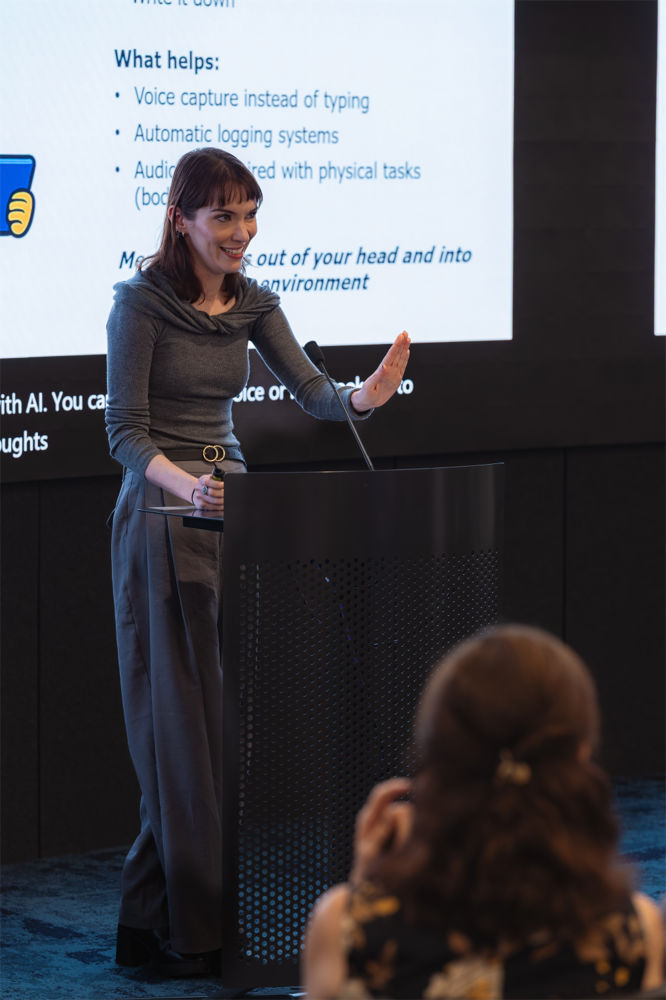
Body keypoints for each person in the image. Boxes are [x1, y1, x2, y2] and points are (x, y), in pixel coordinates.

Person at [105, 146, 410, 978]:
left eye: (249, 216)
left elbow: (313, 392)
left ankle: (148, 924)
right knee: (180, 734)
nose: (240, 232)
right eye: (223, 216)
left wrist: (365, 395)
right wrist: (190, 488)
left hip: (235, 515)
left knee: (210, 736)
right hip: (164, 515)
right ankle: (195, 932)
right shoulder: (140, 304)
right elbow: (124, 433)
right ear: (180, 220)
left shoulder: (255, 302)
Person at [303, 625, 664, 998]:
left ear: (436, 756)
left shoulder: (346, 931)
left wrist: (361, 894)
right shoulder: (636, 934)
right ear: (581, 753)